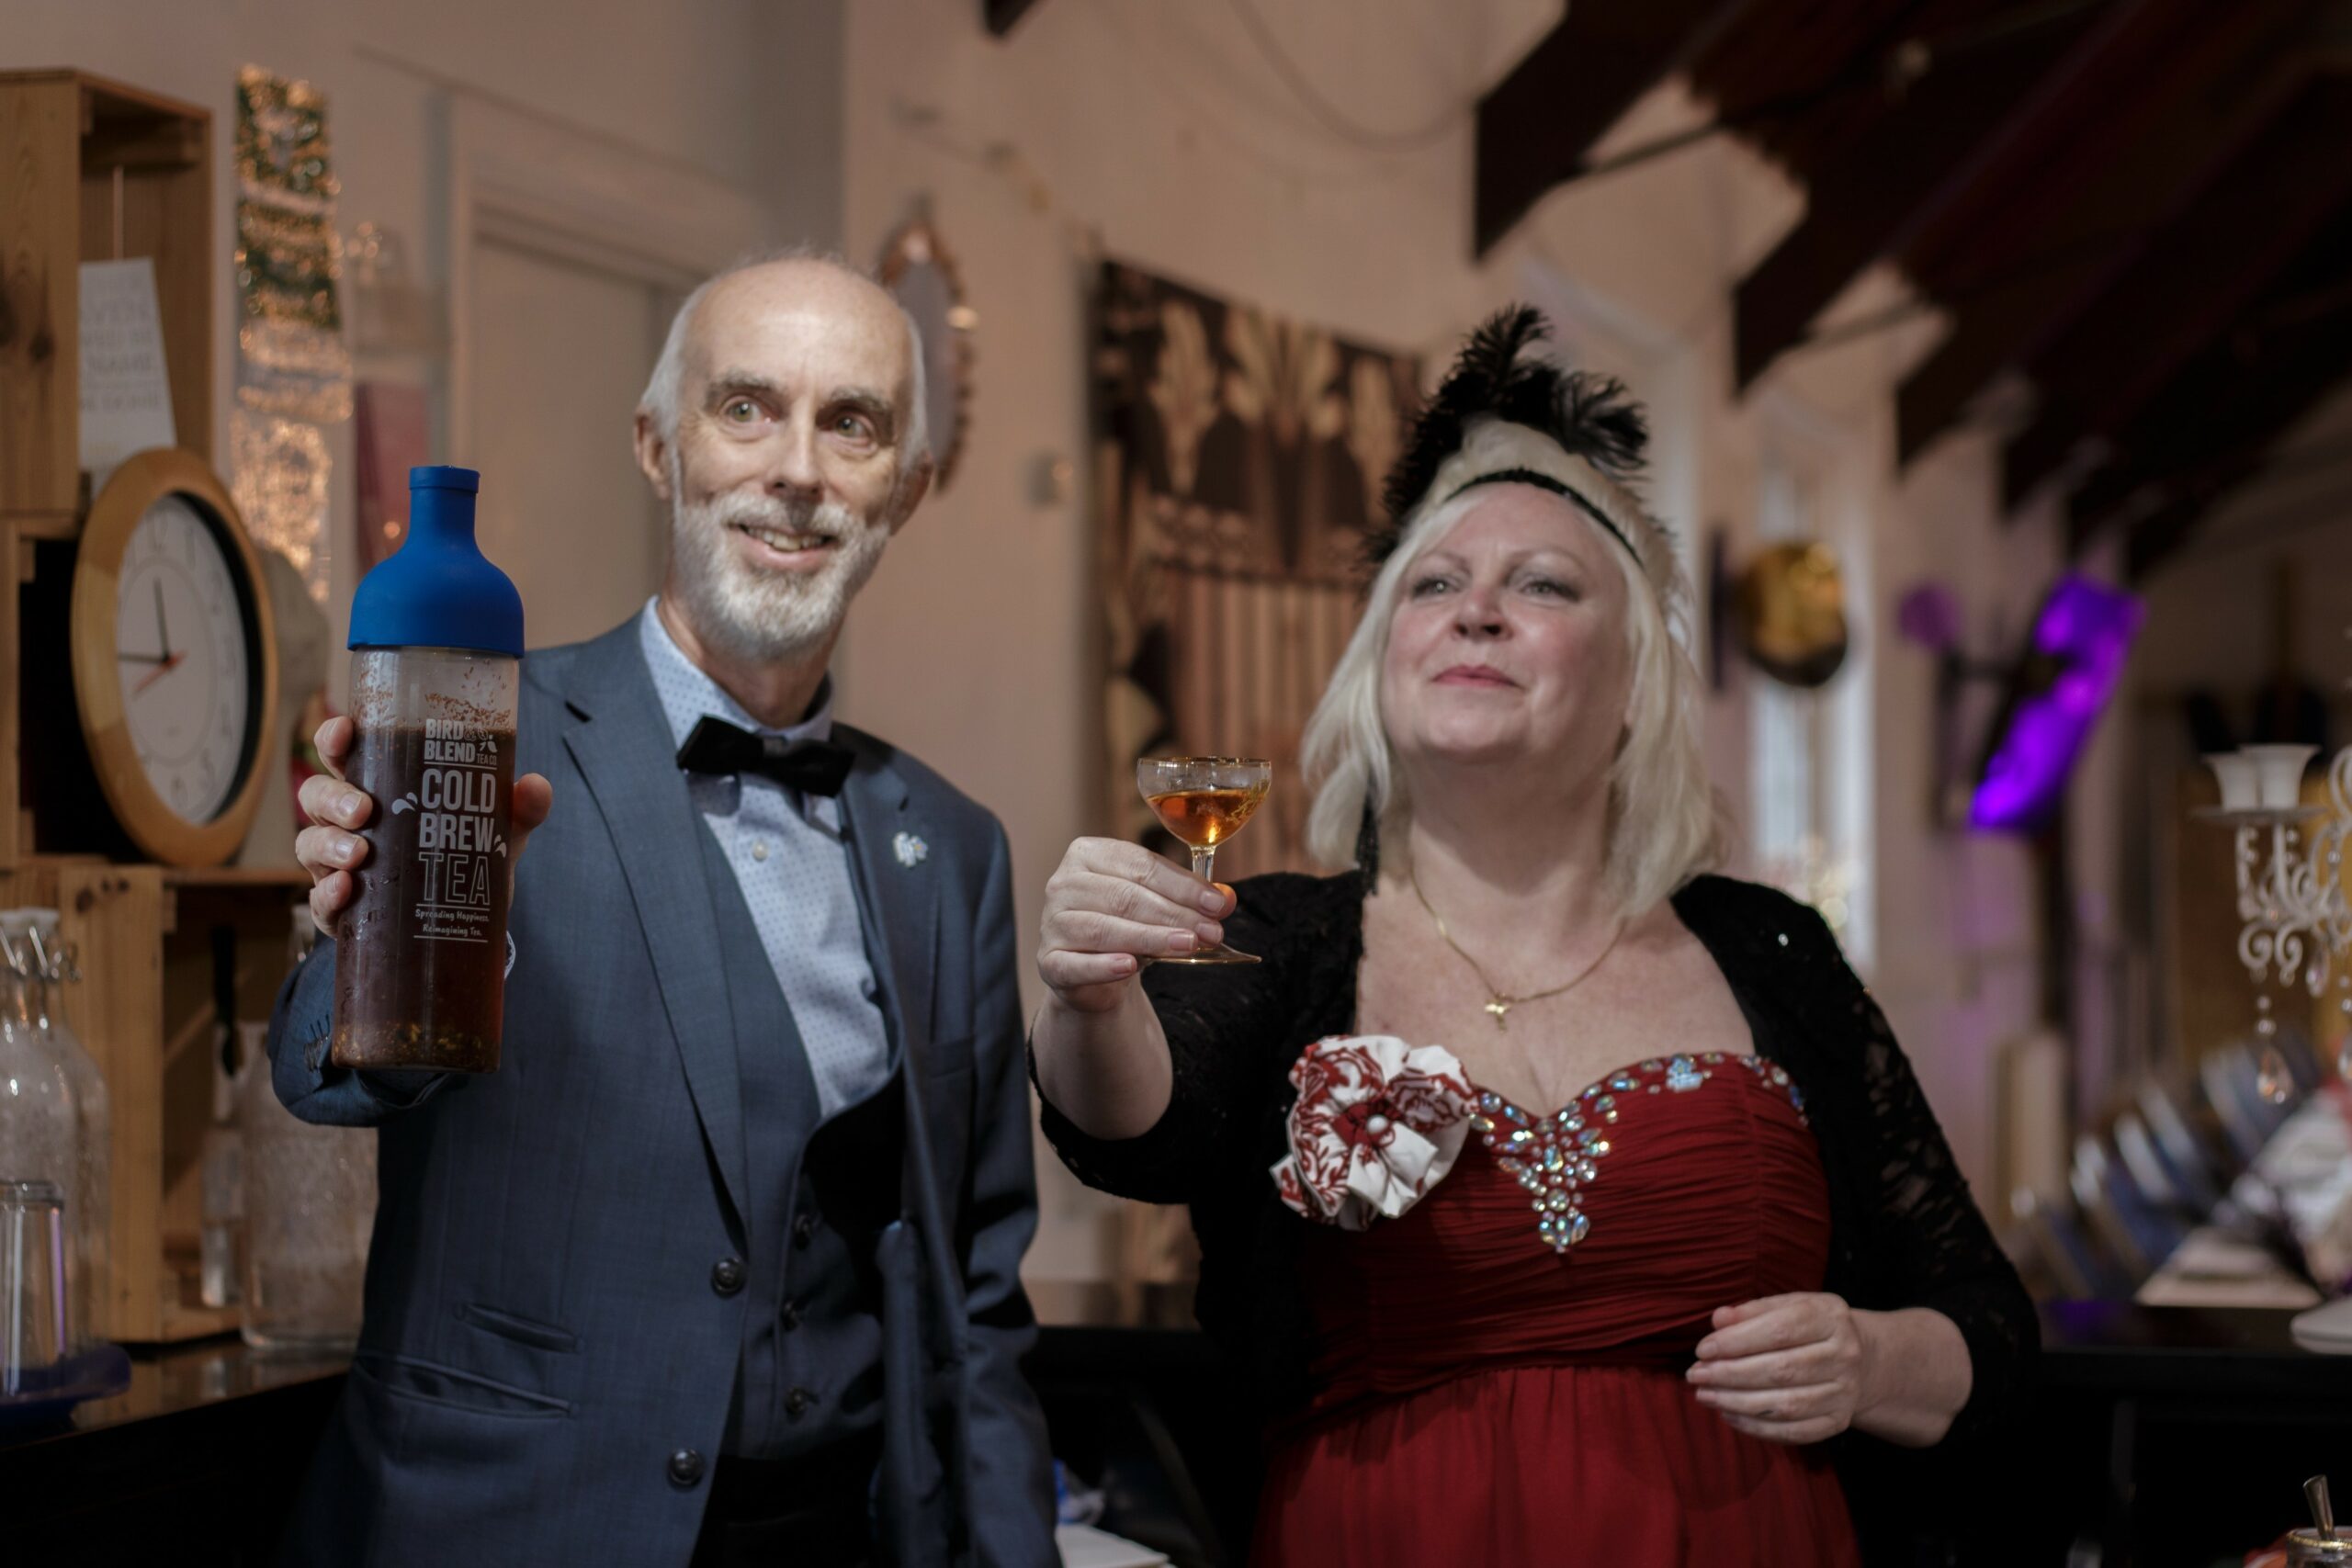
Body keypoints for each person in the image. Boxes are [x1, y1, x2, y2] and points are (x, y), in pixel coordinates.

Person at [1030, 309, 2037, 1566]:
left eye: (1544, 585)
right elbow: (1132, 1126)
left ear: (1633, 684)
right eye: (1434, 583)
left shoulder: (1770, 951)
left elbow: (1986, 1325)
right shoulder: (1286, 940)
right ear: (1381, 667)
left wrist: (1873, 1359)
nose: (1478, 612)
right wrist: (1084, 996)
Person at [268, 251, 1055, 1568]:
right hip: (510, 1523)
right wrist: (362, 937)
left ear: (906, 491)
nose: (796, 468)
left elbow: (977, 1302)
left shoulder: (954, 846)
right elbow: (334, 1072)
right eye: (744, 407)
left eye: (849, 424)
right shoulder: (483, 726)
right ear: (657, 445)